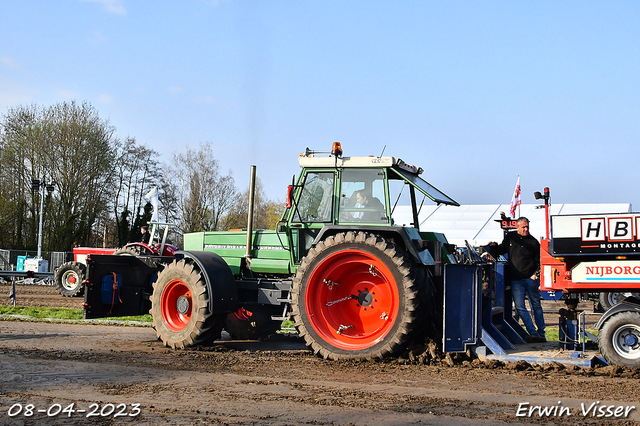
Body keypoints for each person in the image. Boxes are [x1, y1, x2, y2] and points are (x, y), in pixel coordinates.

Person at [489, 217, 545, 343]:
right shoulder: (510, 238)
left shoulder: (533, 242)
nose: (526, 229)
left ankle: (541, 333)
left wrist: (535, 274)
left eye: (527, 227)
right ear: (518, 227)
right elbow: (501, 250)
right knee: (520, 307)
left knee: (536, 305)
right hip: (516, 280)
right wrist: (492, 246)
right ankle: (533, 332)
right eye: (523, 227)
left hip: (530, 279)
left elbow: (540, 260)